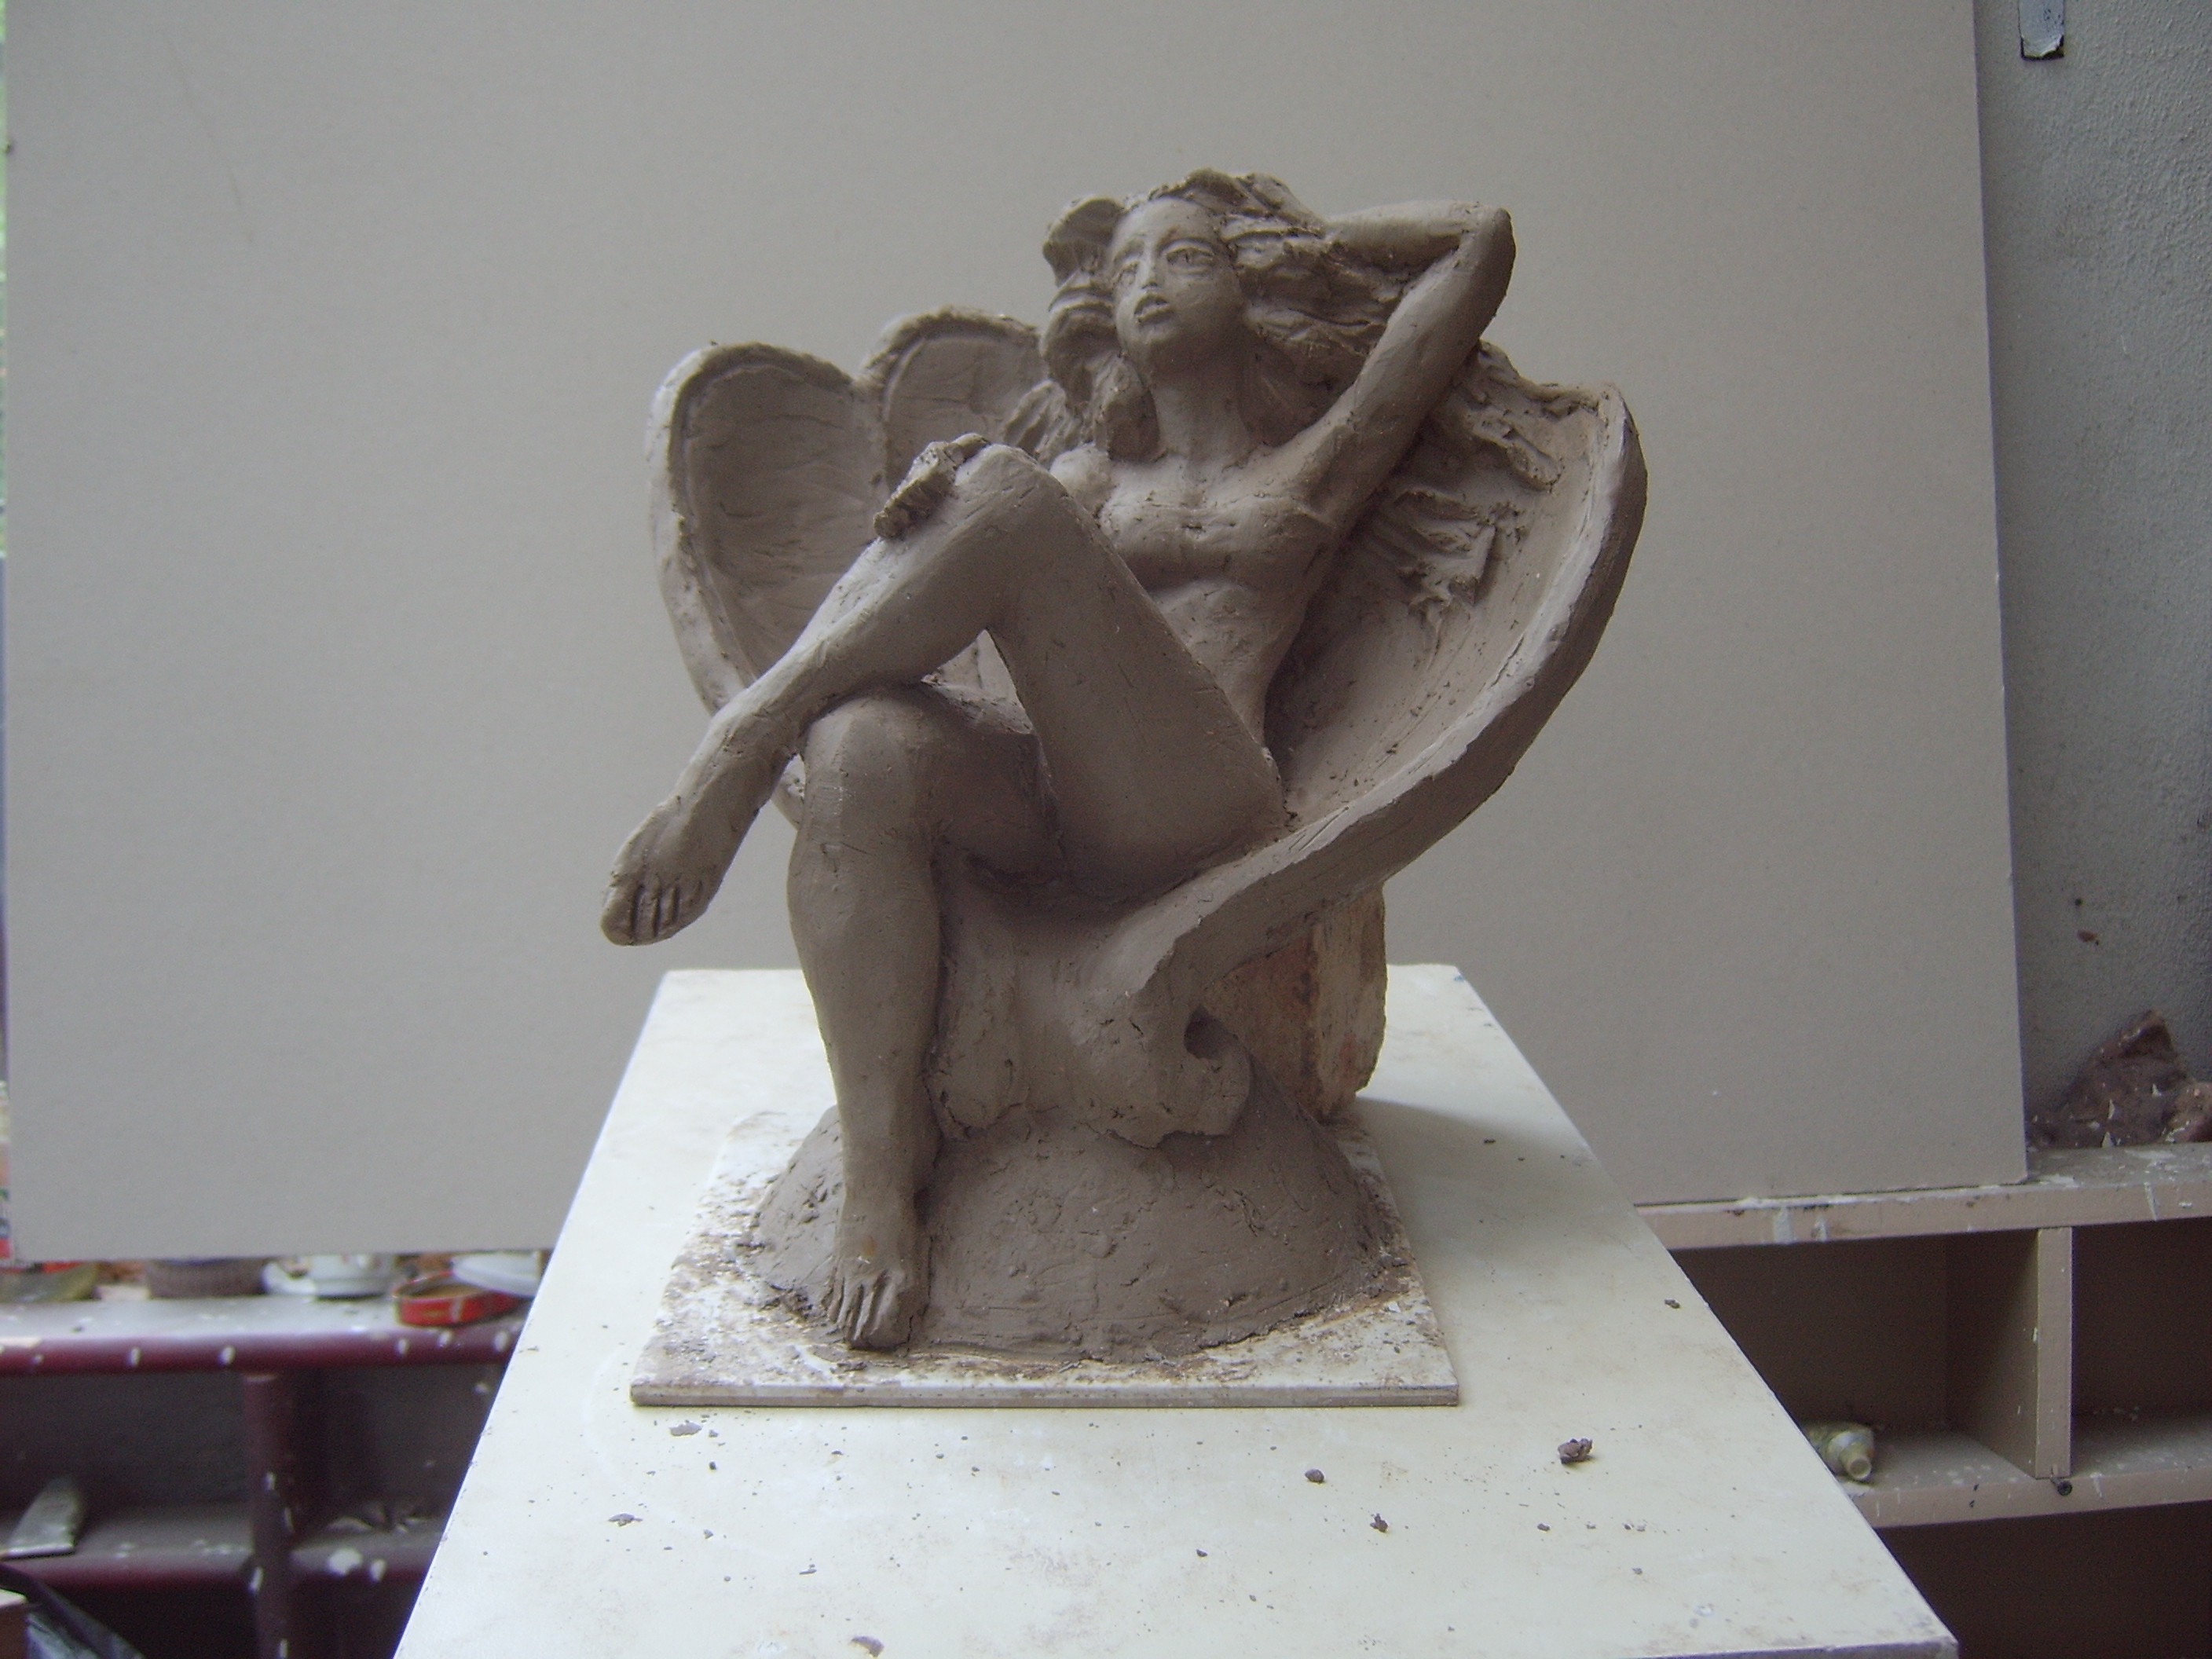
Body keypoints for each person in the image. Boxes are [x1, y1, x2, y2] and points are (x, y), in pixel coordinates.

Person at [602, 172, 1515, 1347]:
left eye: (1185, 257)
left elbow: (1478, 244)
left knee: (996, 486)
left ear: (1246, 289)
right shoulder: (1083, 480)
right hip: (1054, 791)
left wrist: (1290, 243)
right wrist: (940, 510)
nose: (1147, 283)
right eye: (1126, 268)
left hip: (1193, 803)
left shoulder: (1313, 466)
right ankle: (883, 1163)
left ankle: (738, 741)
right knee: (861, 747)